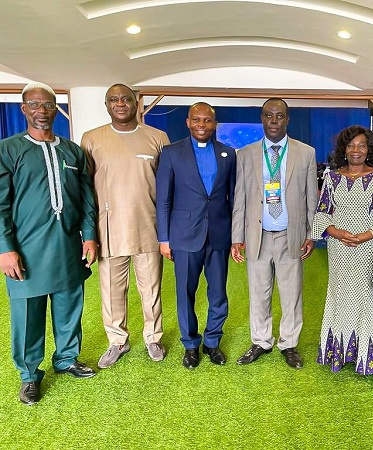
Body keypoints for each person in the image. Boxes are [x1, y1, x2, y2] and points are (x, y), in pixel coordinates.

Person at [0, 82, 98, 405]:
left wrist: (90, 236)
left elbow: (86, 200)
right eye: (35, 105)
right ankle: (29, 374)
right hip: (26, 248)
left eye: (48, 105)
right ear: (23, 109)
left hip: (69, 244)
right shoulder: (9, 149)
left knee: (70, 303)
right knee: (28, 313)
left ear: (56, 109)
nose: (42, 110)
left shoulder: (72, 151)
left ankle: (67, 358)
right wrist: (5, 247)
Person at [81, 84, 170, 368]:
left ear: (136, 103)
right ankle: (118, 340)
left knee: (151, 288)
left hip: (149, 225)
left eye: (126, 99)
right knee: (111, 289)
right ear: (107, 105)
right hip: (109, 228)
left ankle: (153, 337)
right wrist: (88, 233)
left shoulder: (157, 137)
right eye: (114, 100)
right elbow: (84, 188)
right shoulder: (92, 139)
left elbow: (169, 186)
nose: (120, 104)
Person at [231, 98, 318, 369]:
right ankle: (261, 341)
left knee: (291, 293)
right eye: (269, 116)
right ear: (262, 118)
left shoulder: (306, 153)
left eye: (279, 116)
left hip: (289, 235)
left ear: (287, 119)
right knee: (259, 292)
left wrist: (311, 233)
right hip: (257, 235)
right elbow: (240, 199)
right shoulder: (245, 154)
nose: (274, 121)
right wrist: (236, 237)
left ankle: (289, 344)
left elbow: (310, 198)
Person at [311, 126, 373, 375]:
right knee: (339, 294)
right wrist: (338, 233)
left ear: (369, 149)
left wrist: (367, 234)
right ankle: (339, 353)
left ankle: (367, 357)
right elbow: (322, 213)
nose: (356, 150)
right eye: (351, 145)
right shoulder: (331, 177)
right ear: (343, 149)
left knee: (365, 297)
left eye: (362, 145)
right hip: (338, 247)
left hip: (367, 246)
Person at [156, 102, 236, 368]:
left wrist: (235, 234)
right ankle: (190, 344)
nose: (202, 125)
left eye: (208, 121)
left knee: (218, 293)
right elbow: (163, 199)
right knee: (185, 293)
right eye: (197, 120)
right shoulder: (171, 153)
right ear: (188, 122)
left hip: (218, 235)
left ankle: (212, 342)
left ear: (214, 124)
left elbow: (233, 197)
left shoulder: (228, 154)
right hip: (184, 236)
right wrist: (164, 238)